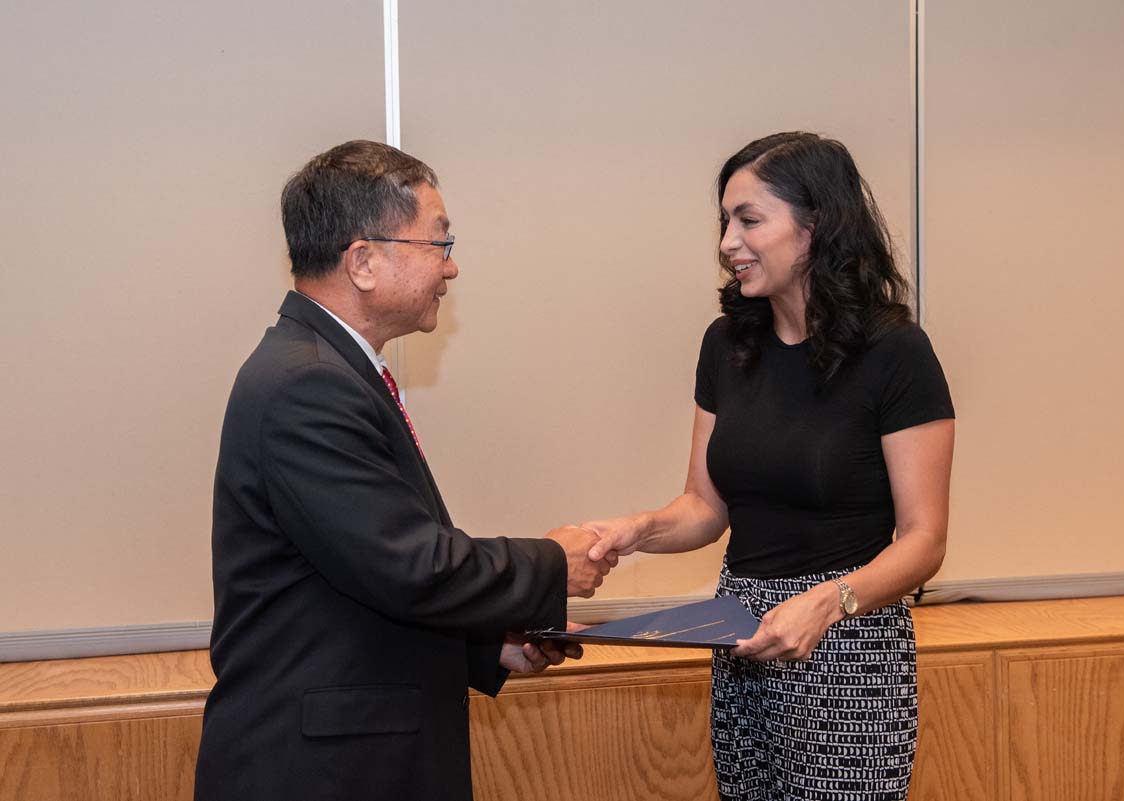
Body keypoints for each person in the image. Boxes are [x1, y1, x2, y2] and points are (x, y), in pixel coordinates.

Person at [194, 140, 612, 801]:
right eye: (438, 243)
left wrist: (486, 645)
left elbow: (354, 579)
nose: (451, 268)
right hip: (321, 774)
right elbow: (410, 564)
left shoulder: (326, 367)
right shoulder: (308, 384)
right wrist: (554, 563)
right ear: (362, 260)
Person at [580, 132, 954, 800]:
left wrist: (826, 602)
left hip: (846, 641)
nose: (728, 241)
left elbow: (924, 539)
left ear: (816, 227)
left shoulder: (896, 351)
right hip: (741, 635)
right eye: (725, 220)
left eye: (749, 219)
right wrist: (634, 530)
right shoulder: (728, 344)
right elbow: (705, 507)